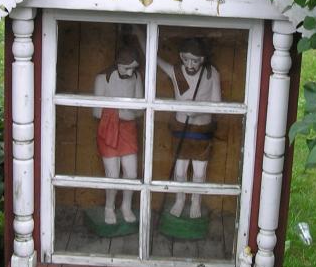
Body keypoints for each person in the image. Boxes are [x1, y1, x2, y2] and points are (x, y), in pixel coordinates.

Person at [135, 29, 221, 218]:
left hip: (202, 130)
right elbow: (153, 58)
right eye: (186, 59)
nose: (190, 64)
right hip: (181, 128)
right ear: (181, 56)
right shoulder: (175, 71)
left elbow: (218, 104)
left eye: (195, 60)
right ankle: (179, 200)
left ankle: (196, 202)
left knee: (199, 172)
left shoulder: (211, 73)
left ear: (202, 59)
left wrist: (197, 110)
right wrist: (140, 35)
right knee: (180, 170)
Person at [93, 46, 142, 224]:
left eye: (133, 69)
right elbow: (96, 111)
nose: (130, 72)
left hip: (128, 130)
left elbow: (141, 108)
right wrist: (121, 111)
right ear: (118, 63)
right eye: (126, 68)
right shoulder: (103, 78)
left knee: (131, 172)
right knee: (112, 173)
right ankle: (109, 207)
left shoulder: (136, 77)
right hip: (109, 129)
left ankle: (126, 206)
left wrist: (129, 111)